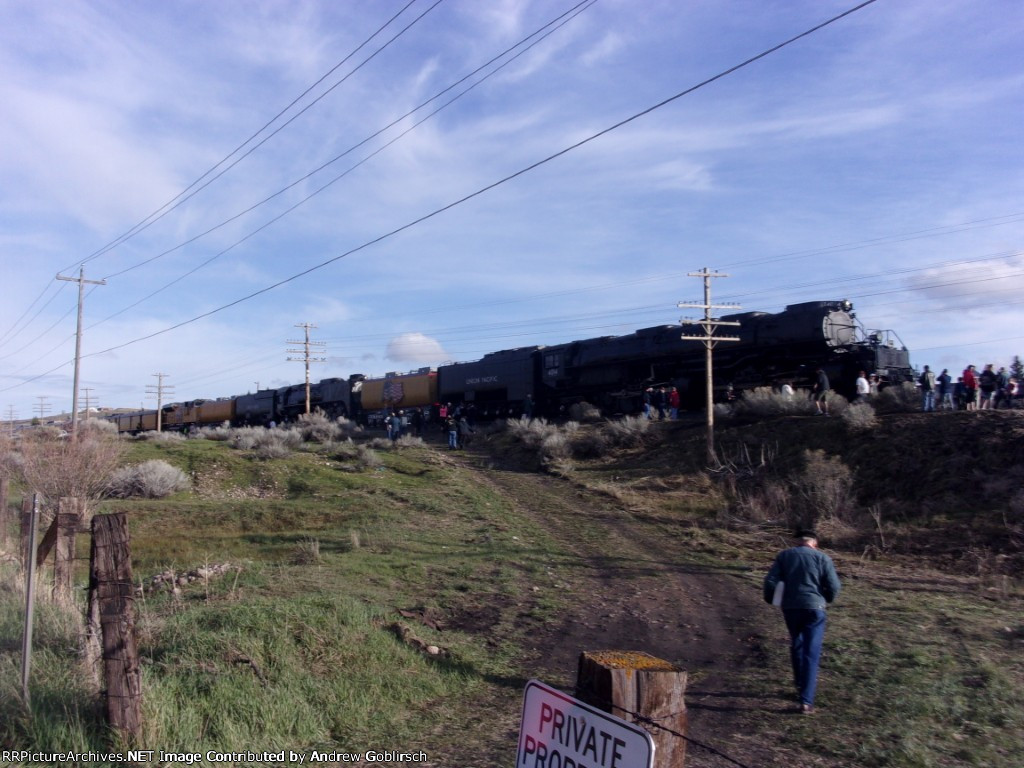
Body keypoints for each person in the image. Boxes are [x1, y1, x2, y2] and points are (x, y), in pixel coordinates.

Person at [763, 530, 842, 714]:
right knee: (811, 651)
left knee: (797, 643)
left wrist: (771, 599)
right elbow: (834, 586)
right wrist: (826, 598)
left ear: (797, 542)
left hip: (791, 608)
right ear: (815, 542)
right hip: (815, 608)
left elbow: (770, 581)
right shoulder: (823, 558)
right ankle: (806, 701)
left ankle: (799, 684)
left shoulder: (785, 556)